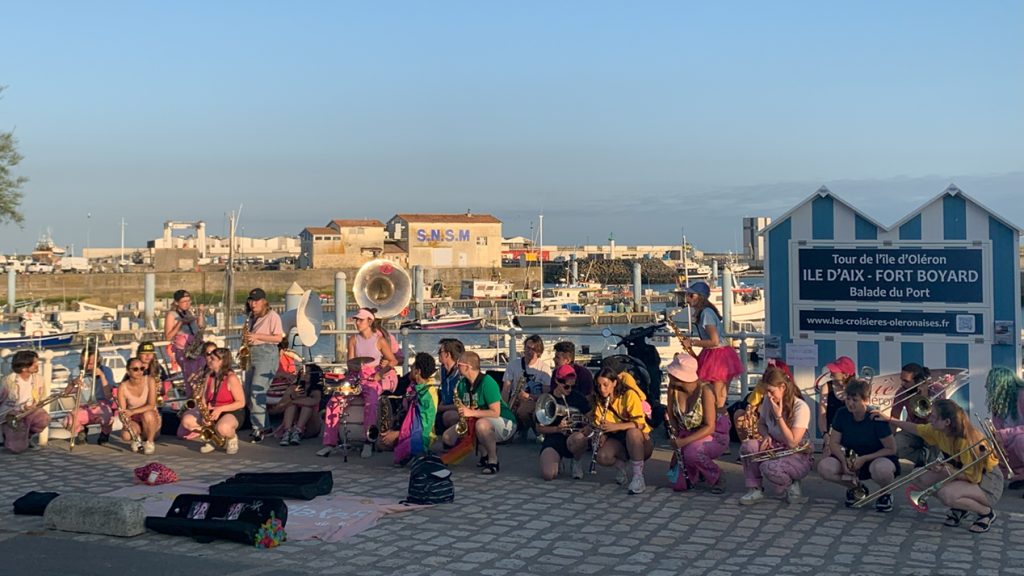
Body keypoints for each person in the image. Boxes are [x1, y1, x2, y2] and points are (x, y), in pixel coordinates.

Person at [873, 399, 1004, 533]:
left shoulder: (966, 440)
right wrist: (888, 419)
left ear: (947, 422)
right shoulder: (938, 430)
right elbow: (915, 429)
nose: (930, 419)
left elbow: (973, 477)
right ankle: (960, 507)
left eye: (934, 417)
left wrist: (947, 469)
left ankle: (986, 513)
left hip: (987, 482)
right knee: (918, 477)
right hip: (961, 472)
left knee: (946, 494)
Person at [817, 378, 899, 512]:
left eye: (855, 400)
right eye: (848, 399)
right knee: (824, 467)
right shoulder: (842, 413)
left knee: (882, 470)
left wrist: (865, 458)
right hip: (851, 458)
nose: (850, 403)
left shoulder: (875, 418)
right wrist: (844, 462)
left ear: (866, 400)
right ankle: (855, 488)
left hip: (875, 458)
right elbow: (834, 442)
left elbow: (891, 449)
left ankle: (885, 493)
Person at [738, 365, 812, 505]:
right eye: (766, 392)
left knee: (768, 467)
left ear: (782, 387)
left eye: (771, 391)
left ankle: (792, 484)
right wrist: (766, 435)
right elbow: (761, 424)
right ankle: (755, 488)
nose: (769, 396)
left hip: (797, 453)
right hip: (775, 445)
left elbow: (792, 442)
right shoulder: (767, 400)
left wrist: (779, 417)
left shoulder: (800, 407)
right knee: (748, 447)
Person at [443, 351, 517, 475]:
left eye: (459, 364)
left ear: (467, 366)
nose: (456, 367)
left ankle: (493, 459)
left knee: (481, 425)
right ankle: (483, 453)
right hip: (477, 417)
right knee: (447, 435)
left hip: (504, 421)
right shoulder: (462, 384)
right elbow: (463, 408)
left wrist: (470, 413)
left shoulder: (487, 382)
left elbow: (495, 412)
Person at [583, 368, 653, 495]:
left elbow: (640, 424)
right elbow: (599, 422)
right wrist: (601, 434)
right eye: (599, 386)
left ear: (614, 383)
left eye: (606, 385)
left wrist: (616, 426)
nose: (602, 389)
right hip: (617, 439)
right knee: (602, 456)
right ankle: (621, 467)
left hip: (640, 440)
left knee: (633, 432)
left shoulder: (629, 395)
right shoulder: (600, 399)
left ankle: (638, 477)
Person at [665, 354, 729, 493]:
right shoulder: (673, 389)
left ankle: (717, 476)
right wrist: (677, 440)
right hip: (686, 433)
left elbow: (710, 426)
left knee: (692, 453)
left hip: (713, 435)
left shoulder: (705, 391)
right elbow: (671, 415)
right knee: (679, 484)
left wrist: (683, 443)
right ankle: (698, 472)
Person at [681, 280, 743, 410]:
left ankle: (718, 422)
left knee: (718, 395)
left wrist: (692, 343)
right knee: (717, 394)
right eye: (687, 294)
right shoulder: (706, 312)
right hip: (716, 353)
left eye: (691, 295)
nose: (687, 298)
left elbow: (714, 341)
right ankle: (718, 420)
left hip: (717, 355)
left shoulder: (706, 314)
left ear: (700, 297)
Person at [346, 307, 398, 458]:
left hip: (372, 377)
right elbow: (350, 364)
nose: (357, 322)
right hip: (356, 376)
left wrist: (380, 373)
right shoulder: (353, 339)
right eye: (356, 319)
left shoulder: (379, 340)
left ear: (370, 321)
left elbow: (393, 360)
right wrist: (355, 366)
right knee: (335, 400)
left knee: (371, 403)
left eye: (360, 320)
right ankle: (331, 441)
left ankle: (368, 441)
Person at [178, 347, 243, 454]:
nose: (209, 360)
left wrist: (220, 409)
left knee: (223, 427)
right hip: (212, 410)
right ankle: (213, 439)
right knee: (187, 421)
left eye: (212, 358)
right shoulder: (209, 376)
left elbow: (241, 402)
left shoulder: (231, 378)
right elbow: (203, 399)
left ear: (221, 361)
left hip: (230, 411)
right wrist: (204, 414)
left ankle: (231, 438)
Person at [382, 352, 439, 466]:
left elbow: (425, 427)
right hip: (409, 429)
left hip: (421, 435)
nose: (410, 369)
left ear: (418, 371)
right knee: (382, 443)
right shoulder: (415, 387)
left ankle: (421, 453)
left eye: (412, 367)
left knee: (399, 456)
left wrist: (398, 434)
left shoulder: (427, 395)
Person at [243, 288, 283, 443]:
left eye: (257, 300)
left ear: (264, 301)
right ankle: (262, 426)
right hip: (251, 354)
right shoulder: (251, 317)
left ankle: (260, 428)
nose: (253, 304)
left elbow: (278, 338)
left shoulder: (272, 316)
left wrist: (257, 336)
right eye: (251, 300)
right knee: (248, 393)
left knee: (256, 392)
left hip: (266, 354)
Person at [538, 364, 591, 481]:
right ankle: (557, 460)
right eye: (566, 386)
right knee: (548, 475)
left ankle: (576, 461)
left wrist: (587, 427)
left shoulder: (578, 397)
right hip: (553, 439)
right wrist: (557, 429)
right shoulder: (547, 399)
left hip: (573, 437)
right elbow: (539, 428)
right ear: (557, 381)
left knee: (580, 439)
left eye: (572, 386)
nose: (570, 390)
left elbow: (591, 418)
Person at [502, 334, 551, 441]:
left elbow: (546, 395)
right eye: (527, 348)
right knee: (511, 410)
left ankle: (532, 430)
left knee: (523, 411)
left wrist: (529, 396)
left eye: (533, 349)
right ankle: (516, 430)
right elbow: (506, 388)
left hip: (534, 400)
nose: (529, 352)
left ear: (539, 352)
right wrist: (504, 407)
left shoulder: (544, 368)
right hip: (516, 399)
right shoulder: (513, 365)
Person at [64, 344, 116, 445]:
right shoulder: (76, 371)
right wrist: (73, 383)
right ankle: (81, 431)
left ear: (98, 359)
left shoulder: (106, 371)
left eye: (91, 363)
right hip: (84, 405)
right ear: (81, 359)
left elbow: (109, 395)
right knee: (68, 421)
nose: (88, 366)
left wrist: (102, 376)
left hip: (102, 404)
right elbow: (66, 393)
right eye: (85, 363)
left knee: (107, 418)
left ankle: (105, 433)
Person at [0, 350, 49, 454]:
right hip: (12, 414)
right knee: (17, 448)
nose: (37, 365)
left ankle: (27, 437)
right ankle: (9, 435)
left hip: (31, 411)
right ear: (24, 368)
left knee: (44, 418)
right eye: (34, 363)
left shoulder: (39, 379)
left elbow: (42, 397)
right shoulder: (7, 381)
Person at [890, 362, 938, 468]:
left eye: (906, 381)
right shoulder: (902, 392)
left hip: (932, 429)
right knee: (894, 446)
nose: (902, 384)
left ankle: (932, 464)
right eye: (901, 380)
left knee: (938, 439)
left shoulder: (936, 389)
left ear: (918, 381)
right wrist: (889, 441)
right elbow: (894, 418)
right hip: (912, 429)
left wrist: (925, 396)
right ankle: (921, 458)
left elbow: (938, 418)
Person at [985, 367, 1024, 490]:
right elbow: (999, 432)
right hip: (1013, 444)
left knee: (1020, 441)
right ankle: (1020, 476)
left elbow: (1005, 434)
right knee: (997, 452)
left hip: (1020, 441)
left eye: (990, 384)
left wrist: (1005, 434)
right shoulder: (1000, 402)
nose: (986, 386)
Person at [164, 289, 207, 390]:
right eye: (184, 301)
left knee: (202, 376)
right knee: (191, 380)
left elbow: (201, 327)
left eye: (189, 301)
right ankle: (192, 401)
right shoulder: (172, 315)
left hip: (197, 348)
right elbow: (168, 336)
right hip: (185, 352)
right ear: (176, 302)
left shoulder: (189, 313)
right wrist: (180, 323)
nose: (187, 304)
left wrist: (201, 313)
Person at [117, 357, 161, 455]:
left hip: (150, 419)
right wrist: (124, 420)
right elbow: (122, 411)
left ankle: (150, 442)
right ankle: (137, 438)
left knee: (147, 414)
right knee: (125, 436)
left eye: (142, 368)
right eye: (135, 369)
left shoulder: (150, 380)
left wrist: (132, 411)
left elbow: (151, 405)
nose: (139, 371)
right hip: (134, 420)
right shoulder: (122, 387)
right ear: (128, 371)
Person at [276, 364, 324, 446]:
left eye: (308, 373)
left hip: (310, 425)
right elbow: (280, 406)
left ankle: (298, 431)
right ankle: (288, 432)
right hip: (293, 422)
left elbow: (313, 401)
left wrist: (294, 400)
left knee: (306, 406)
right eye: (302, 372)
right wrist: (292, 396)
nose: (304, 375)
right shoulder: (293, 388)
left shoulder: (316, 390)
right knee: (291, 406)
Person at [819, 356, 855, 459]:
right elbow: (822, 415)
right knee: (827, 464)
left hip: (852, 433)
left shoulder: (857, 388)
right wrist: (825, 435)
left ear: (845, 375)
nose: (831, 373)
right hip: (832, 434)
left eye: (835, 371)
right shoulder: (826, 387)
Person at [435, 338, 465, 436]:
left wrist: (441, 408)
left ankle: (458, 438)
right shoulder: (443, 369)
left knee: (449, 416)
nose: (438, 354)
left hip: (459, 410)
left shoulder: (461, 374)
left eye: (440, 352)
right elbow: (444, 394)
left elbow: (464, 404)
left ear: (447, 354)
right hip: (446, 406)